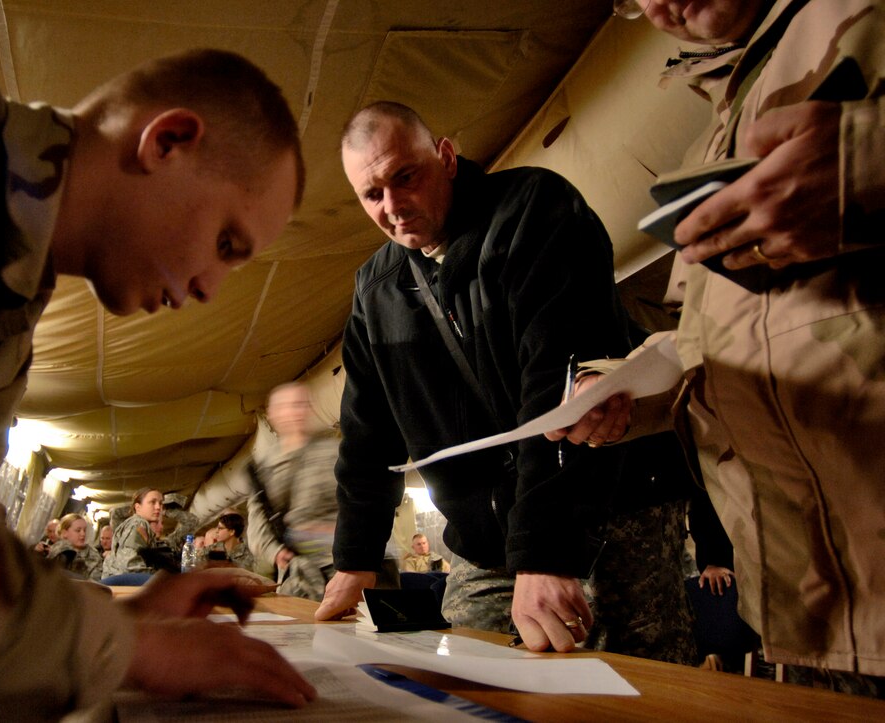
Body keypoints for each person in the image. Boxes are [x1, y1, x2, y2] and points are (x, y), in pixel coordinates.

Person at [0, 1, 316, 718]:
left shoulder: (2, 313)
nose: (209, 288)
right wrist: (123, 646)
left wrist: (118, 622)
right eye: (227, 244)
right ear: (166, 141)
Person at [556, 0, 885, 696]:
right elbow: (712, 342)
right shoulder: (710, 140)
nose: (655, 4)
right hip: (811, 605)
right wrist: (624, 387)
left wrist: (864, 164)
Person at [315, 101, 696, 667]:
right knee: (475, 674)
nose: (392, 207)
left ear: (445, 157)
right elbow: (368, 437)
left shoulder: (536, 210)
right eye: (372, 195)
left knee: (632, 678)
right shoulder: (377, 291)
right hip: (484, 531)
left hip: (606, 500)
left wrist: (545, 555)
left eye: (405, 177)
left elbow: (558, 389)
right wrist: (355, 559)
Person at [246, 382, 343, 601]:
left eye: (301, 404)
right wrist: (275, 552)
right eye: (287, 406)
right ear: (272, 414)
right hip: (299, 573)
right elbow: (257, 524)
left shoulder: (333, 454)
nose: (296, 411)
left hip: (341, 564)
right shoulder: (263, 468)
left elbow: (359, 502)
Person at [104, 487, 177, 577]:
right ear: (138, 507)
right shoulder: (138, 524)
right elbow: (130, 565)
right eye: (152, 502)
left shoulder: (142, 525)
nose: (158, 507)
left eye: (160, 503)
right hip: (122, 582)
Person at [49, 513, 105, 582]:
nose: (83, 534)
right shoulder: (56, 551)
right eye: (78, 530)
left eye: (84, 530)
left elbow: (95, 582)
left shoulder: (93, 555)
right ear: (64, 533)